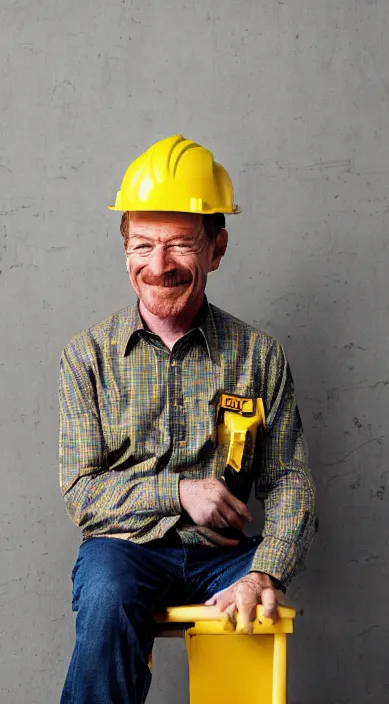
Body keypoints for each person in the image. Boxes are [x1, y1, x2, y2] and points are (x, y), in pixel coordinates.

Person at [59, 134, 316, 703]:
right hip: (124, 549)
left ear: (217, 249)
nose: (159, 266)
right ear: (124, 247)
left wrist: (262, 571)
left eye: (180, 245)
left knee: (257, 613)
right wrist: (180, 492)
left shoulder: (259, 357)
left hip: (225, 556)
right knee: (105, 597)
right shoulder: (88, 356)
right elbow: (81, 491)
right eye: (142, 245)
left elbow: (291, 481)